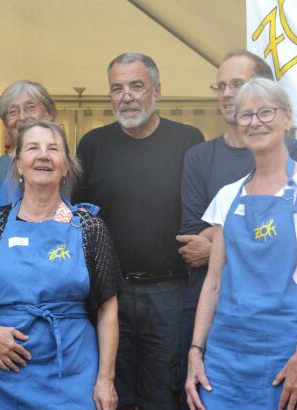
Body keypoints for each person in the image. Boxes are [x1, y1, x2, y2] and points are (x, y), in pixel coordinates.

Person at [184, 78, 297, 410]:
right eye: (245, 115)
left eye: (265, 112)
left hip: (289, 355)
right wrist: (196, 351)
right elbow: (213, 283)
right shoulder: (228, 196)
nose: (255, 121)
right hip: (225, 362)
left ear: (287, 118)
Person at [0, 120, 122, 409]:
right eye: (33, 148)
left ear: (66, 165)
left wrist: (105, 379)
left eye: (53, 149)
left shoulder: (89, 228)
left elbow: (108, 310)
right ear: (18, 163)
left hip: (70, 371)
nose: (43, 155)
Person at [175, 50, 297, 399]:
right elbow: (192, 241)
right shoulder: (202, 160)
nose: (227, 94)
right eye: (220, 86)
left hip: (280, 325)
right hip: (221, 321)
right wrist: (248, 244)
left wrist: (227, 241)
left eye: (237, 84)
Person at [75, 52, 205, 409]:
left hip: (170, 291)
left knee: (165, 393)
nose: (126, 96)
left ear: (157, 91)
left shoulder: (188, 141)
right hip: (109, 296)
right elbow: (74, 217)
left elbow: (208, 211)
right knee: (108, 392)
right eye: (117, 88)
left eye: (136, 85)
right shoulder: (92, 145)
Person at [0, 80, 58, 208]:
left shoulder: (68, 166)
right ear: (6, 123)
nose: (23, 117)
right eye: (13, 111)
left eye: (31, 107)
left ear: (49, 114)